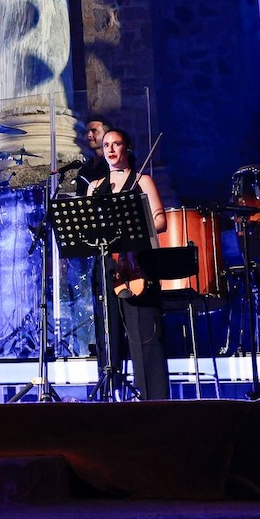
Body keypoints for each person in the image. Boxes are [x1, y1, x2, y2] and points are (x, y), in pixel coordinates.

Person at [89, 129, 171, 401]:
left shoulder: (142, 181)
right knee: (108, 334)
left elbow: (161, 222)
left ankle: (153, 400)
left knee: (143, 335)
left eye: (117, 144)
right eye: (106, 145)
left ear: (128, 148)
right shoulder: (94, 186)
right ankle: (110, 397)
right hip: (106, 267)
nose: (111, 149)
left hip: (136, 264)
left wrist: (134, 229)